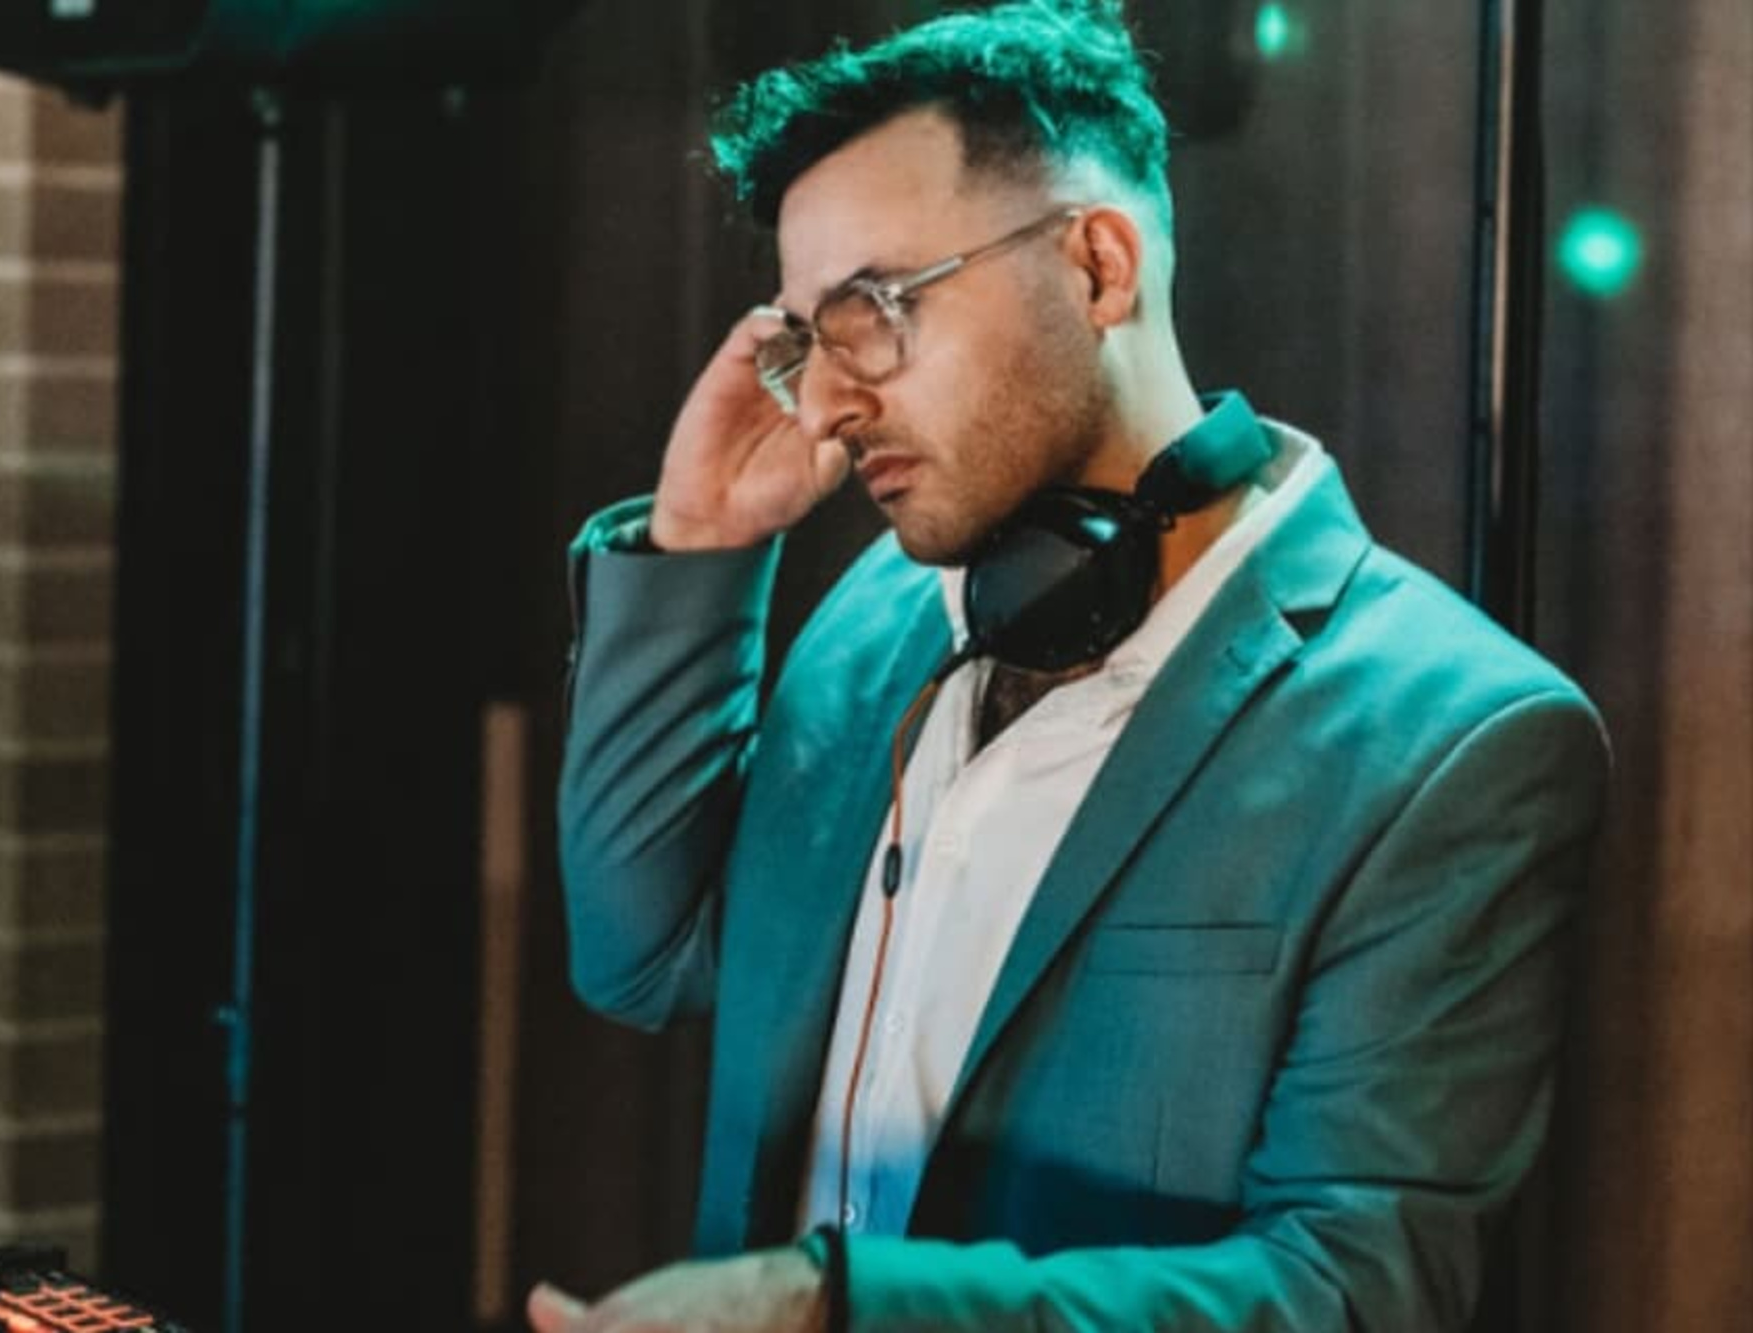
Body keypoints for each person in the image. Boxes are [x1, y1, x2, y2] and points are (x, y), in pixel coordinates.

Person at [530, 2, 1609, 1330]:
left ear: (1099, 266)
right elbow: (641, 955)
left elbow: (1355, 1291)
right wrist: (697, 545)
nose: (819, 403)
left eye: (872, 311)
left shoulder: (1457, 739)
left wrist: (843, 1310)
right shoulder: (882, 620)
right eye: (807, 338)